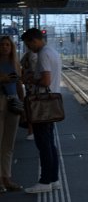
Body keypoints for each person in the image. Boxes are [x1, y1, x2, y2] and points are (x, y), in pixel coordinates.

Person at [21, 28, 62, 193]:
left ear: (34, 40)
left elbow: (45, 80)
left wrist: (30, 79)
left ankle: (45, 181)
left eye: (28, 44)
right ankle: (54, 179)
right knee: (49, 143)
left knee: (43, 143)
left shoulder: (43, 54)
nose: (29, 48)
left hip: (42, 105)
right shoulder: (52, 52)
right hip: (50, 103)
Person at [0, 35, 24, 192]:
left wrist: (23, 104)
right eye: (2, 45)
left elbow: (19, 84)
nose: (4, 47)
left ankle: (6, 178)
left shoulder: (15, 63)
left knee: (9, 144)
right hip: (0, 101)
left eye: (8, 45)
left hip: (13, 102)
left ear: (12, 47)